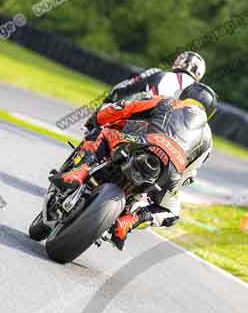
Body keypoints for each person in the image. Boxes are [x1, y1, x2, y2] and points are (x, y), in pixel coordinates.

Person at [50, 83, 217, 250]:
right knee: (171, 213)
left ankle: (79, 172)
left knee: (105, 133)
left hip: (145, 145)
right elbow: (190, 174)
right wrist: (171, 185)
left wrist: (97, 118)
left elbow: (125, 108)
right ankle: (129, 221)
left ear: (185, 94)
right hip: (171, 169)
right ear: (209, 113)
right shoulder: (208, 140)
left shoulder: (169, 102)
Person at [103, 51, 206, 104]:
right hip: (175, 137)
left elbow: (123, 87)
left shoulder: (156, 72)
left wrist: (107, 102)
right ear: (199, 73)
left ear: (179, 62)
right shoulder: (200, 93)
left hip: (140, 123)